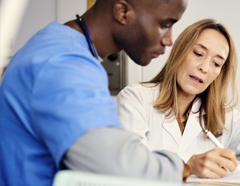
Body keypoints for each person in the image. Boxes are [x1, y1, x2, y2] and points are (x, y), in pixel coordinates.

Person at [0, 0, 190, 185]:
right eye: (165, 25)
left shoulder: (56, 44)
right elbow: (113, 166)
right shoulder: (64, 63)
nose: (169, 40)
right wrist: (176, 167)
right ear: (123, 12)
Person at [116, 19, 240, 179]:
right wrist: (189, 164)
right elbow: (129, 159)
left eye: (216, 63)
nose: (204, 68)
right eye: (198, 53)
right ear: (180, 51)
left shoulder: (221, 116)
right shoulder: (135, 98)